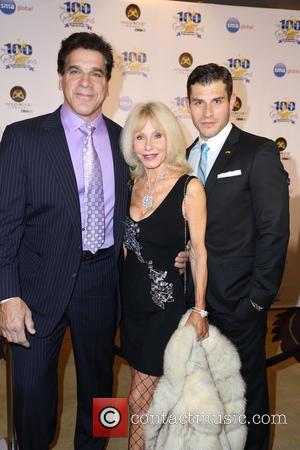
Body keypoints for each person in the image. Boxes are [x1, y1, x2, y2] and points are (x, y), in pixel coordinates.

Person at [0, 32, 129, 450]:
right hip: (36, 286)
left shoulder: (126, 141)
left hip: (102, 279)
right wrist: (7, 296)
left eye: (97, 73)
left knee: (102, 387)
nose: (87, 83)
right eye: (76, 71)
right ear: (60, 77)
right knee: (31, 393)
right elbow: (4, 224)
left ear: (108, 82)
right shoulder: (22, 137)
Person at [185, 63, 289, 450]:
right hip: (195, 303)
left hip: (241, 302)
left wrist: (258, 300)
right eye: (199, 102)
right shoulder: (187, 155)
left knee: (246, 399)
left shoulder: (258, 151)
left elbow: (274, 230)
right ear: (188, 104)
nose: (207, 112)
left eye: (216, 101)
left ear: (231, 102)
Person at [119, 101, 209, 449]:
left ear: (170, 139)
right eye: (140, 137)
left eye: (157, 135)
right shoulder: (130, 185)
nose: (149, 145)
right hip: (131, 308)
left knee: (139, 400)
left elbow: (199, 252)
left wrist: (199, 309)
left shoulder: (190, 188)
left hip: (165, 311)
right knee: (153, 399)